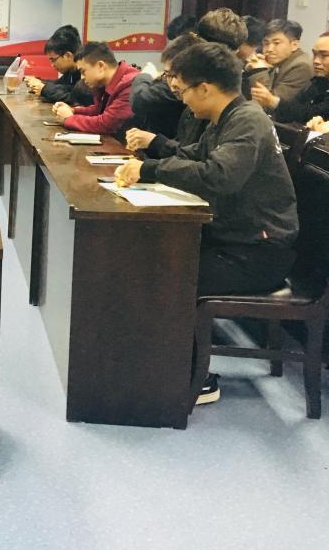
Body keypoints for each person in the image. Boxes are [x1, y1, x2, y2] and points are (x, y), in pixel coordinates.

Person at [115, 42, 298, 406]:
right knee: (153, 259)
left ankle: (193, 379)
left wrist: (150, 169)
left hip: (259, 251)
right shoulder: (226, 118)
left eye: (183, 90)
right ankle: (155, 363)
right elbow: (195, 154)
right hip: (235, 239)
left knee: (172, 276)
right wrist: (155, 155)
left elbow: (219, 175)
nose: (182, 99)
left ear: (204, 88)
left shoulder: (247, 120)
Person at [125, 34, 208, 158]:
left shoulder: (220, 115)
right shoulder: (188, 109)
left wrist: (154, 142)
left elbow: (194, 159)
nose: (173, 84)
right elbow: (181, 151)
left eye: (176, 75)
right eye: (168, 75)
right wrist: (145, 143)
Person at [52, 41, 139, 136]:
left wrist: (69, 118)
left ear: (100, 66)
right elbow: (99, 110)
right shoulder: (109, 82)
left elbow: (106, 124)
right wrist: (73, 111)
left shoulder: (130, 85)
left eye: (83, 72)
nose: (82, 78)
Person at [261, 31, 329, 124]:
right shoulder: (320, 81)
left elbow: (315, 114)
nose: (316, 61)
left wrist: (274, 102)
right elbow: (296, 106)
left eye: (324, 55)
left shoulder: (301, 65)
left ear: (294, 44)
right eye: (314, 54)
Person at [249, 19, 316, 109]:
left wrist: (259, 70)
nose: (269, 49)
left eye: (276, 43)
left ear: (294, 45)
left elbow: (267, 103)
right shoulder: (281, 60)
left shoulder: (301, 66)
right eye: (266, 43)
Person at [24, 25, 92, 105]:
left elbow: (78, 99)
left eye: (53, 60)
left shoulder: (88, 70)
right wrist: (38, 83)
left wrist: (44, 89)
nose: (52, 65)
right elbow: (61, 85)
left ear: (68, 56)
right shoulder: (71, 69)